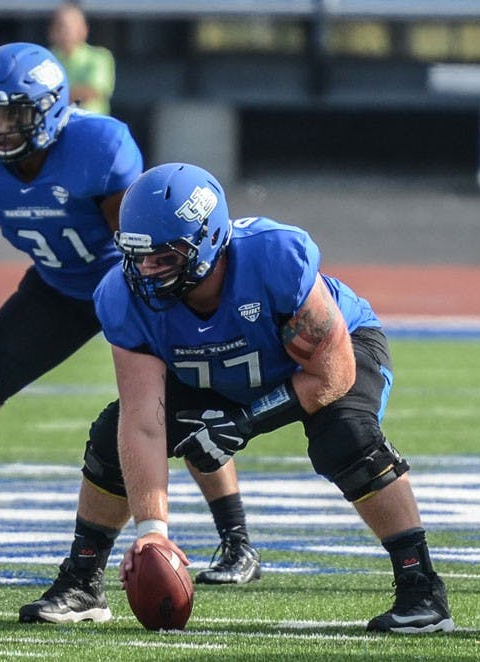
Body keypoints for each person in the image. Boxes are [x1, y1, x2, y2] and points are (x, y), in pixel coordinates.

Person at [0, 42, 257, 622]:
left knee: (177, 404)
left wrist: (155, 318)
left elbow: (136, 246)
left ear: (50, 110)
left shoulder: (99, 147)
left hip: (134, 285)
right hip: (59, 290)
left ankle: (237, 539)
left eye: (13, 114)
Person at [93, 162, 455, 634]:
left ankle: (421, 588)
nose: (145, 270)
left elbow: (334, 373)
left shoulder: (275, 255)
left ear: (206, 243)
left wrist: (243, 422)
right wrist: (151, 534)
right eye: (137, 255)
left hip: (328, 355)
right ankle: (81, 582)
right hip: (226, 366)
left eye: (163, 257)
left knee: (344, 435)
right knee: (110, 433)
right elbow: (142, 420)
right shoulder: (123, 295)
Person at [47, 1, 115, 116]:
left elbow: (92, 92)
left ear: (83, 29)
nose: (64, 31)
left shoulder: (99, 57)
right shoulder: (47, 58)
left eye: (70, 27)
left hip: (90, 125)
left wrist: (52, 98)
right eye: (60, 25)